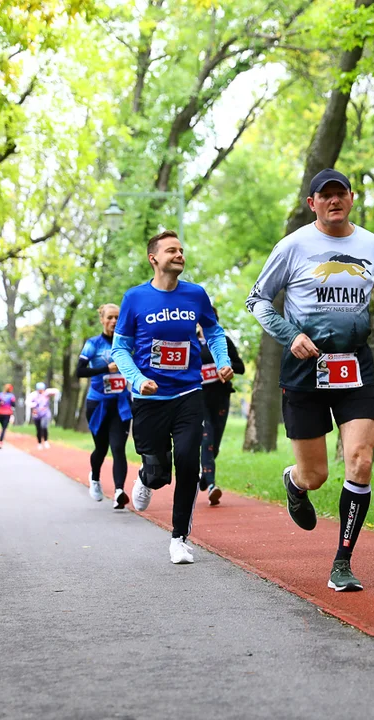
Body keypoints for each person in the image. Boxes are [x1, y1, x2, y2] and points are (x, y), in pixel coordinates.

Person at [246, 168, 374, 592]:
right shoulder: (293, 246)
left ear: (352, 198)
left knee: (360, 461)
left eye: (340, 193)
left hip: (355, 364)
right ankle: (295, 482)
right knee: (316, 475)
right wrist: (292, 336)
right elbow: (257, 300)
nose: (333, 200)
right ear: (312, 204)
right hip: (305, 367)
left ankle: (342, 561)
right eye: (325, 196)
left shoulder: (373, 246)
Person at [111, 229, 234, 565]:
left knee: (188, 462)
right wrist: (137, 380)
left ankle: (179, 538)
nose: (179, 255)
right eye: (171, 251)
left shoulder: (195, 295)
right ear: (154, 259)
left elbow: (214, 331)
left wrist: (222, 362)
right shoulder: (135, 298)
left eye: (181, 250)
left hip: (188, 394)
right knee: (160, 472)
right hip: (150, 399)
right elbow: (120, 348)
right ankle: (146, 477)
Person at [78, 303, 132, 510]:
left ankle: (119, 491)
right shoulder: (93, 344)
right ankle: (95, 478)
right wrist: (105, 368)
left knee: (118, 447)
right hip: (98, 403)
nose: (114, 322)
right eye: (110, 317)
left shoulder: (127, 343)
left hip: (121, 403)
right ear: (102, 319)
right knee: (101, 448)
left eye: (118, 317)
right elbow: (79, 372)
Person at [197, 313, 246, 506]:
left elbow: (240, 366)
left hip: (220, 398)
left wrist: (224, 367)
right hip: (198, 399)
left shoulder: (223, 341)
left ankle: (204, 473)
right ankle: (211, 486)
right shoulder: (190, 342)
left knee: (214, 444)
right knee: (206, 438)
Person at [29, 383, 55, 449]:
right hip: (36, 414)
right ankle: (39, 443)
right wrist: (34, 405)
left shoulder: (46, 394)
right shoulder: (34, 395)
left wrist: (48, 391)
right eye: (39, 389)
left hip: (45, 413)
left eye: (42, 389)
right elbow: (28, 402)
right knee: (38, 429)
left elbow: (55, 392)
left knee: (44, 426)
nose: (41, 391)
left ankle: (46, 441)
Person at [0, 384, 16, 449]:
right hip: (7, 413)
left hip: (0, 413)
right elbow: (13, 404)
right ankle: (0, 441)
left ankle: (1, 437)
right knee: (4, 428)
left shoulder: (0, 395)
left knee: (3, 427)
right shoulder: (11, 396)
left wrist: (1, 403)